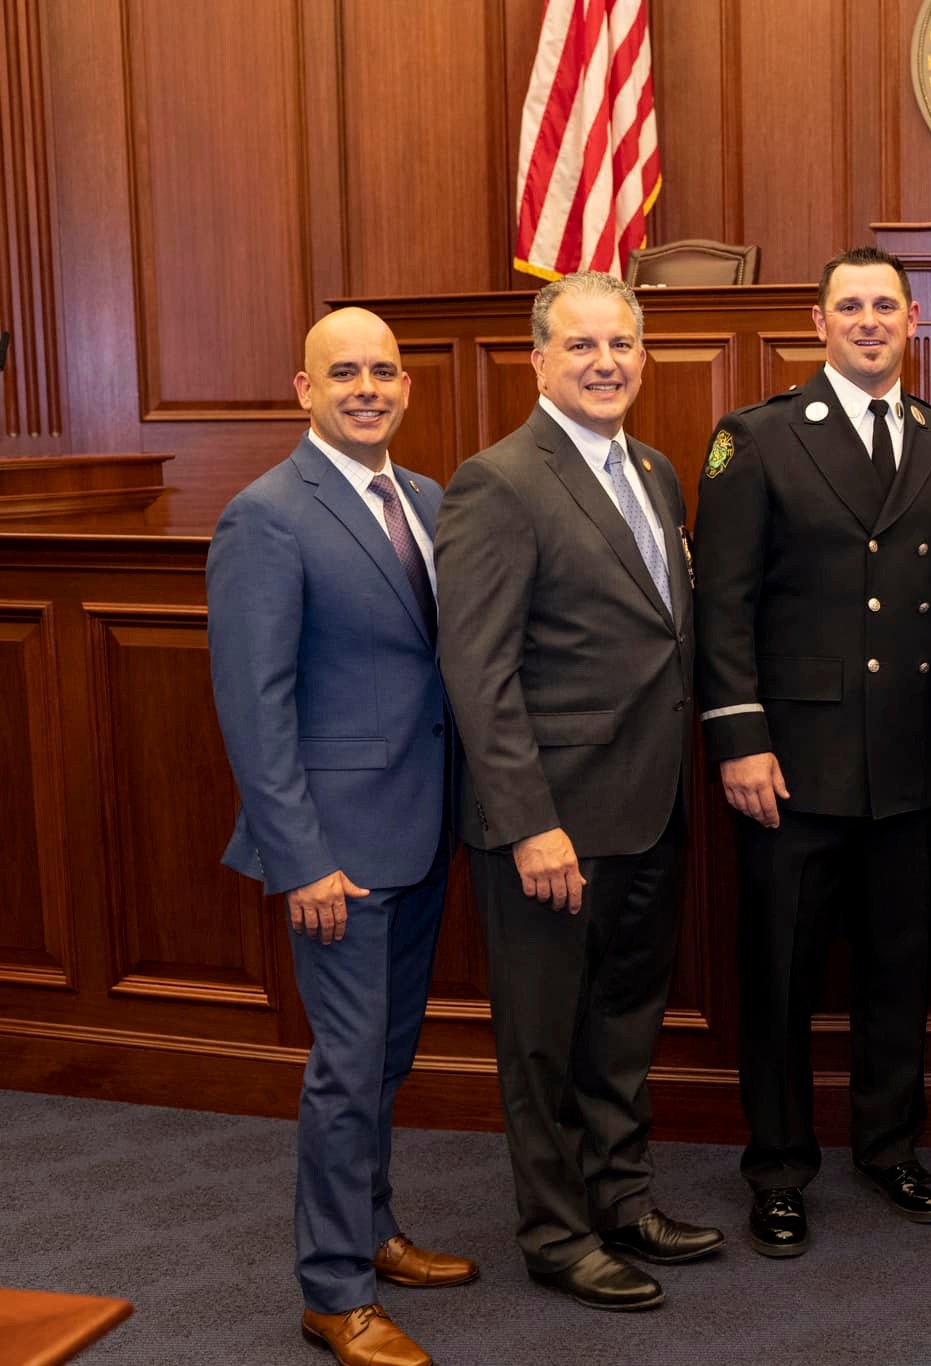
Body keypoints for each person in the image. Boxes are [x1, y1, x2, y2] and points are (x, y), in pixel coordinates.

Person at [435, 270, 721, 1313]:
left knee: (623, 1025)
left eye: (622, 345)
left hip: (649, 807)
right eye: (582, 345)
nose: (606, 362)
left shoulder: (650, 468)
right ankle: (555, 1232)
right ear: (539, 359)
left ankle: (620, 1197)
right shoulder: (497, 481)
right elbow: (478, 670)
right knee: (545, 1040)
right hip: (550, 827)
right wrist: (529, 823)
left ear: (644, 357)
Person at [694, 246, 931, 1257]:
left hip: (912, 761)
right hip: (793, 764)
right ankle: (776, 1168)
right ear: (816, 324)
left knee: (898, 972)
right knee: (777, 977)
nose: (868, 323)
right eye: (848, 307)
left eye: (884, 308)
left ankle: (887, 1146)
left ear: (911, 321)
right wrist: (738, 737)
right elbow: (721, 600)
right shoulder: (756, 438)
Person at [208, 308, 472, 1366]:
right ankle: (332, 1290)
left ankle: (371, 1229)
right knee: (347, 1065)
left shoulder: (426, 498)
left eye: (383, 371)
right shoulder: (265, 514)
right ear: (302, 389)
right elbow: (251, 704)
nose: (367, 387)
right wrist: (298, 855)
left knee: (386, 1056)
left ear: (406, 387)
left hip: (420, 826)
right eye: (343, 372)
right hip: (335, 849)